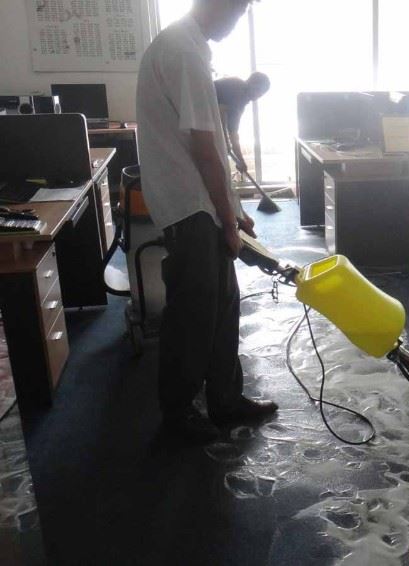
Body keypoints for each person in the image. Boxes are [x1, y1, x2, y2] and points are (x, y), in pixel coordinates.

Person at [136, 0, 277, 442]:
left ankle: (225, 400)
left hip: (202, 205)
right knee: (193, 314)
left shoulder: (190, 46)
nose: (237, 22)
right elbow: (203, 148)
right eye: (237, 13)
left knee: (224, 306)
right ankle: (177, 415)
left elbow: (212, 144)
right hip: (189, 206)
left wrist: (232, 210)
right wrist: (228, 222)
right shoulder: (184, 52)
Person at [215, 72, 270, 173]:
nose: (258, 95)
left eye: (261, 94)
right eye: (258, 89)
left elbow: (233, 133)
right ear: (250, 82)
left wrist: (240, 160)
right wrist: (225, 141)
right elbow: (220, 113)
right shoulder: (237, 87)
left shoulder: (242, 102)